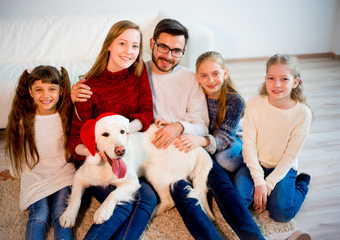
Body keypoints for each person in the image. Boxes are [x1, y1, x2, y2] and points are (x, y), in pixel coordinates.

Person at [73, 19, 264, 240]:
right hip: (156, 154)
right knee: (184, 197)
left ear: (183, 52)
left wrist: (179, 126)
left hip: (186, 144)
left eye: (176, 51)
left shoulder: (189, 79)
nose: (168, 55)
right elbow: (109, 100)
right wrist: (75, 91)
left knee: (221, 184)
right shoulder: (135, 71)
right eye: (163, 47)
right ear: (152, 43)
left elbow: (202, 124)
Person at [69, 20, 156, 240]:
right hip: (95, 159)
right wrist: (96, 153)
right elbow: (74, 140)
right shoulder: (88, 86)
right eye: (122, 44)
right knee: (127, 205)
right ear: (109, 45)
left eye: (135, 46)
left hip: (123, 150)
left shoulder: (139, 71)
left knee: (146, 198)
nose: (129, 52)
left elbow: (146, 114)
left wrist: (124, 133)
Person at [233, 54, 313, 223]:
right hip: (255, 162)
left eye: (284, 79)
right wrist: (258, 181)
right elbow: (248, 145)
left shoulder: (302, 114)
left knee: (282, 213)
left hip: (282, 166)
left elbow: (290, 157)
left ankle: (302, 183)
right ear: (265, 79)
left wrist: (267, 186)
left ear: (295, 82)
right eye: (271, 78)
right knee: (238, 203)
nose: (277, 84)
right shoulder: (255, 104)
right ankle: (265, 191)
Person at [0, 65, 75, 240]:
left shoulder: (66, 115)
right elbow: (16, 151)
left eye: (52, 89)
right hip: (35, 175)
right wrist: (13, 171)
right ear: (31, 92)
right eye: (39, 89)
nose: (46, 95)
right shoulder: (24, 120)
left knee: (61, 213)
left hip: (63, 173)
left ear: (61, 90)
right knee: (39, 215)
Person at [174, 51, 245, 177]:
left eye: (215, 74)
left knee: (223, 159)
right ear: (197, 77)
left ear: (225, 73)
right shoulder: (195, 93)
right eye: (204, 76)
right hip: (207, 138)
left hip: (231, 138)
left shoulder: (235, 101)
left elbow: (224, 139)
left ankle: (248, 160)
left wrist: (200, 141)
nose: (210, 80)